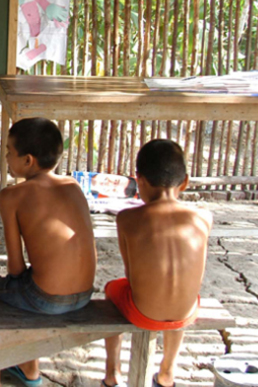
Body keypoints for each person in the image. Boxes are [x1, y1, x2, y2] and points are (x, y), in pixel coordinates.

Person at [0, 117, 97, 387]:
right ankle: (28, 368)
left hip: (46, 299)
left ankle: (2, 376)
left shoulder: (11, 196)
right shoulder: (73, 186)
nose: (6, 158)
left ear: (28, 160)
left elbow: (15, 269)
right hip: (85, 294)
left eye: (9, 152)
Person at [102, 139, 212, 387]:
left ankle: (112, 372)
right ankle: (167, 372)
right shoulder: (204, 217)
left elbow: (131, 277)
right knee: (182, 292)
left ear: (138, 180)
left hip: (143, 313)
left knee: (111, 288)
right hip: (186, 313)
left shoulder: (127, 218)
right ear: (185, 181)